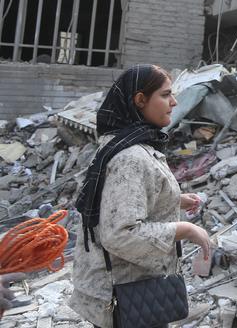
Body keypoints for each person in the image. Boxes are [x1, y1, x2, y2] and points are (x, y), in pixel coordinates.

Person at [69, 65, 210, 328]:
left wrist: (173, 199)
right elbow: (121, 234)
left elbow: (117, 199)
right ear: (140, 100)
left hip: (133, 288)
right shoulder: (130, 157)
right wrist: (185, 230)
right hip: (127, 296)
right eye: (165, 95)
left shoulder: (125, 142)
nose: (174, 102)